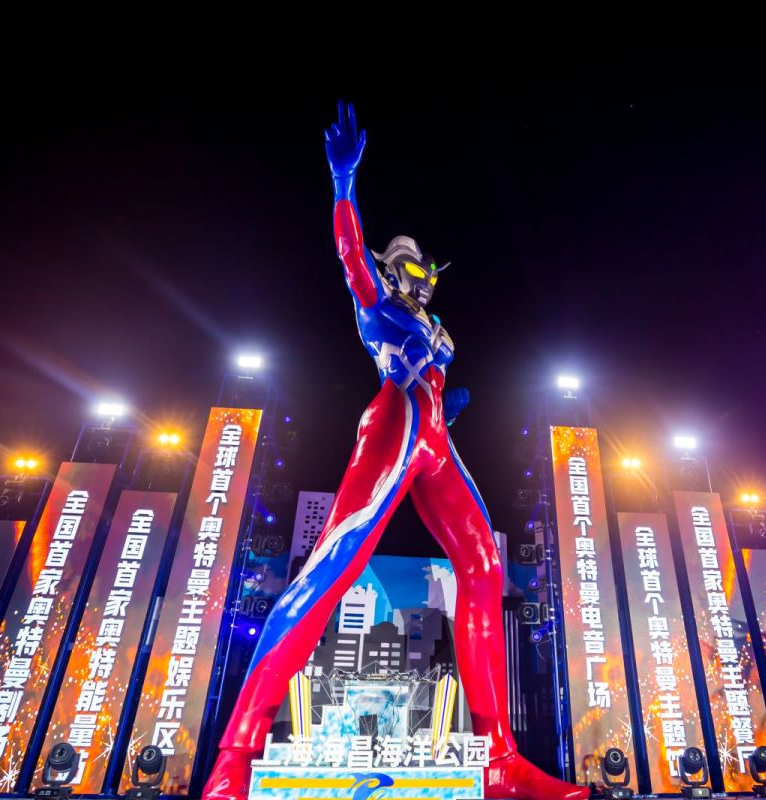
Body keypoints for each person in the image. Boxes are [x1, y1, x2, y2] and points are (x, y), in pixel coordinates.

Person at [202, 103, 587, 800]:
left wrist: (450, 408)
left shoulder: (430, 322)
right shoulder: (376, 301)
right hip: (395, 423)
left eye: (429, 269)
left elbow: (433, 377)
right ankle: (235, 756)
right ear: (395, 266)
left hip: (435, 435)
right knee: (331, 568)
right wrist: (343, 184)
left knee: (484, 565)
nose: (425, 277)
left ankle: (498, 759)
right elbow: (351, 257)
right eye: (413, 266)